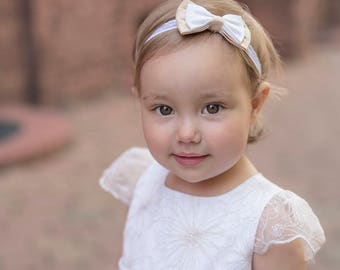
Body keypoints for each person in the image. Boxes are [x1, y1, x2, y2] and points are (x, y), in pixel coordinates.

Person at [99, 0, 325, 269]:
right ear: (140, 102)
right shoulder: (142, 180)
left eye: (212, 108)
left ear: (255, 104)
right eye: (163, 109)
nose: (186, 134)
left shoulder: (267, 223)